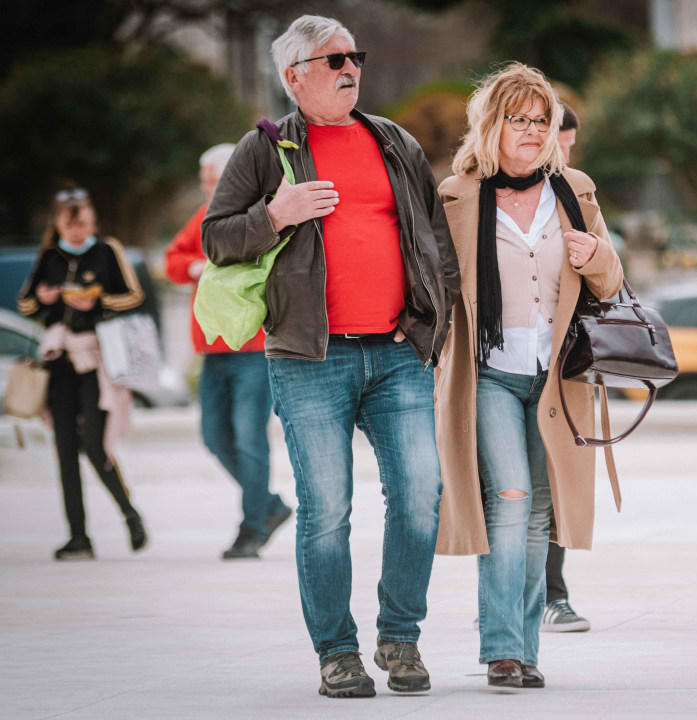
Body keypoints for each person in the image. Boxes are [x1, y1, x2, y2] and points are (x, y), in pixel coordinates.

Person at [202, 15, 459, 698]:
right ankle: (336, 653)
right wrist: (276, 215)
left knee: (419, 499)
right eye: (333, 60)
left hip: (398, 354)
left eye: (355, 57)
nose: (351, 69)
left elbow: (436, 243)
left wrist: (431, 326)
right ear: (294, 77)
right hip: (308, 358)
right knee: (327, 511)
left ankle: (400, 638)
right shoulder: (264, 150)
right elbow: (216, 239)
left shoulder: (394, 141)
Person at [434, 64, 623, 689]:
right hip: (487, 374)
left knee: (541, 513)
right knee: (510, 501)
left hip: (556, 379)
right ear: (493, 124)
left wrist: (597, 257)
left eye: (541, 121)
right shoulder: (457, 195)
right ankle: (502, 649)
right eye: (519, 119)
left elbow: (612, 282)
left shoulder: (574, 189)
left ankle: (526, 650)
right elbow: (432, 286)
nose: (532, 131)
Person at [165, 144, 291, 561]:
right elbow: (172, 261)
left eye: (209, 177)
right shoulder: (202, 217)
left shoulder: (262, 214)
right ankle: (268, 505)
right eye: (203, 178)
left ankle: (252, 527)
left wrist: (210, 263)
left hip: (252, 346)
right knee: (215, 436)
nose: (204, 185)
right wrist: (196, 267)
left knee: (250, 438)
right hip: (212, 349)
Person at [17, 188, 148, 561]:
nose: (76, 232)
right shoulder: (49, 255)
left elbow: (133, 296)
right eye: (69, 225)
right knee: (64, 450)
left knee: (95, 443)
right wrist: (45, 299)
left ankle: (130, 515)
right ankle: (78, 536)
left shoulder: (107, 250)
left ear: (92, 223)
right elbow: (25, 302)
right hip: (58, 363)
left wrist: (97, 300)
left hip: (96, 360)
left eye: (83, 224)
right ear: (58, 224)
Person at [541, 102, 590, 633]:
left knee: (555, 481)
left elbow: (604, 273)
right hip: (510, 357)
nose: (566, 155)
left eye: (571, 147)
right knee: (518, 487)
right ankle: (534, 595)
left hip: (562, 360)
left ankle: (553, 594)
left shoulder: (574, 192)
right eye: (562, 141)